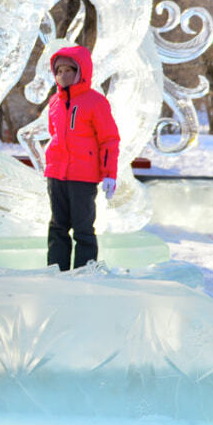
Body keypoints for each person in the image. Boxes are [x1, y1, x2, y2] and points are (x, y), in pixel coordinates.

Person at [44, 44, 120, 271]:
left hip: (82, 177)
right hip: (57, 174)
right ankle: (56, 273)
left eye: (69, 70)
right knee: (57, 227)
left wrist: (109, 174)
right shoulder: (54, 103)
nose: (63, 75)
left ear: (81, 72)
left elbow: (109, 139)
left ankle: (84, 274)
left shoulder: (95, 102)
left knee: (83, 229)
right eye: (59, 71)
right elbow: (53, 134)